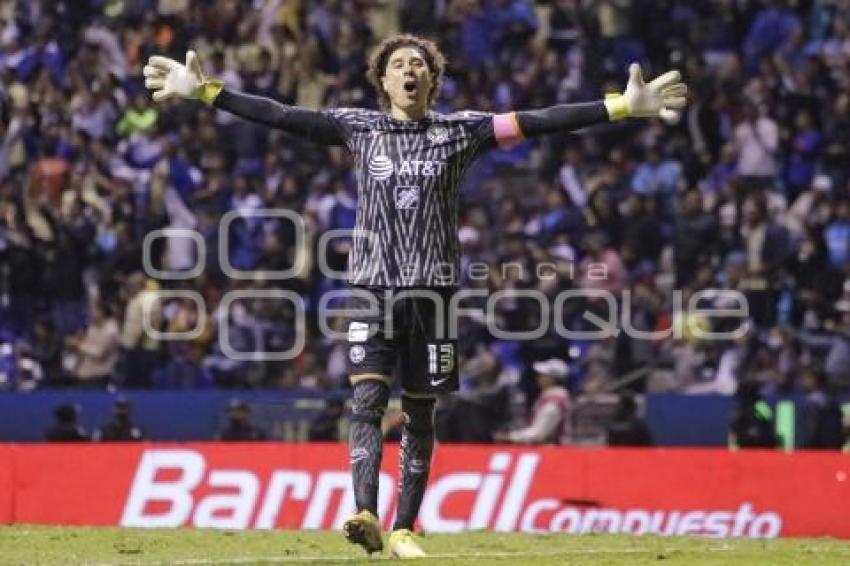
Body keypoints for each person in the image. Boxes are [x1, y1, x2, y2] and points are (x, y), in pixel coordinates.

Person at [143, 34, 686, 558]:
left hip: (434, 297)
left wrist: (617, 107)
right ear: (382, 78)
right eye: (398, 64)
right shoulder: (358, 128)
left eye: (418, 64)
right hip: (372, 290)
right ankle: (365, 513)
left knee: (422, 414)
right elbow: (283, 115)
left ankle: (405, 527)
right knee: (366, 403)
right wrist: (210, 92)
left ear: (433, 79)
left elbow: (539, 121)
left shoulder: (462, 131)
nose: (409, 70)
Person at [493, 358, 572, 445]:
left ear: (552, 379)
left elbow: (538, 433)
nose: (539, 377)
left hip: (552, 451)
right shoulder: (550, 396)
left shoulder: (553, 402)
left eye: (543, 375)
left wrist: (510, 437)